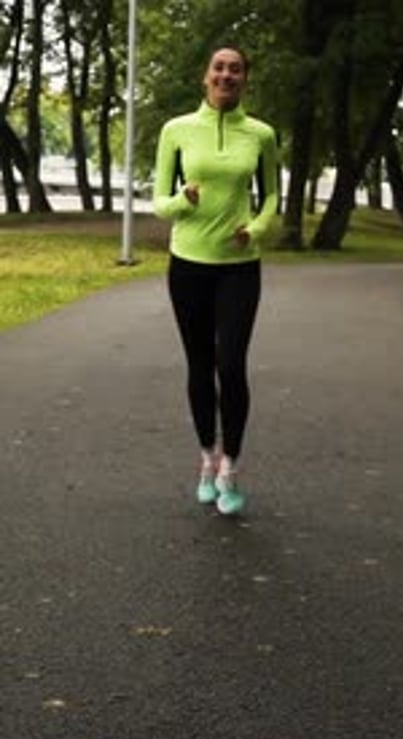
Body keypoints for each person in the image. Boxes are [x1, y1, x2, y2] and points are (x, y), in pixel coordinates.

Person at [153, 45, 278, 515]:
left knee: (231, 364)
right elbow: (159, 201)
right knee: (200, 364)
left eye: (236, 69)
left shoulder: (261, 134)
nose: (227, 75)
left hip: (239, 267)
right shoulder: (176, 130)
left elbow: (271, 197)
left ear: (245, 79)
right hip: (188, 264)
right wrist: (182, 200)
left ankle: (231, 467)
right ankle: (207, 457)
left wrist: (256, 229)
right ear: (206, 77)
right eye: (219, 68)